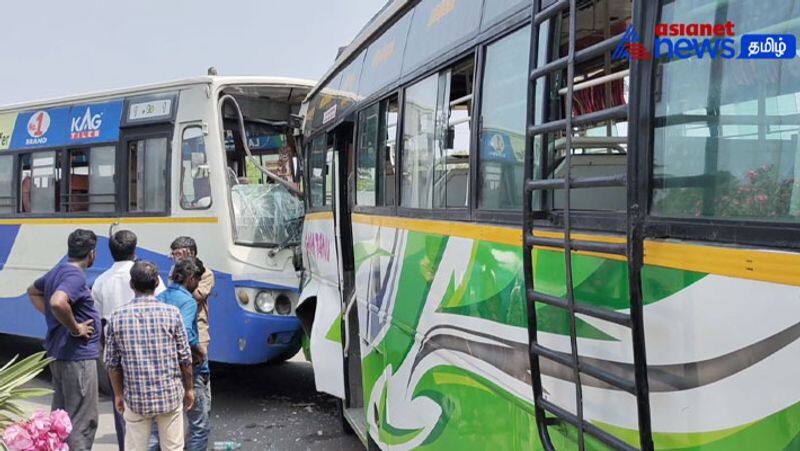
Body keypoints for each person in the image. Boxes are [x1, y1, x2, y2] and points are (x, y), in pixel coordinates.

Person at [104, 261, 194, 451]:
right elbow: (185, 358)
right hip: (169, 396)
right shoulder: (172, 314)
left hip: (136, 399)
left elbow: (112, 364)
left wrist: (118, 394)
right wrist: (189, 389)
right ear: (156, 284)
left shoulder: (116, 317)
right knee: (174, 448)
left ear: (131, 285)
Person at [26, 229, 100, 451]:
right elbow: (58, 302)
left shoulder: (58, 270)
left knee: (62, 420)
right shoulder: (75, 275)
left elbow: (33, 291)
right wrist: (75, 327)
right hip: (77, 357)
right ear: (91, 254)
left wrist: (57, 321)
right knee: (82, 421)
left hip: (60, 355)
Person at [92, 230, 165, 450]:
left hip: (117, 350)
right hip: (150, 347)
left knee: (121, 402)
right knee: (153, 402)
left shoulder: (101, 281)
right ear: (135, 251)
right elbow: (161, 304)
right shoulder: (151, 276)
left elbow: (99, 321)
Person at [149, 258, 211, 451]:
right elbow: (184, 332)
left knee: (159, 427)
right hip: (190, 369)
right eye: (197, 280)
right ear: (191, 278)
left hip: (164, 369)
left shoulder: (160, 298)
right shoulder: (188, 301)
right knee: (198, 425)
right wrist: (198, 348)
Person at [169, 237, 214, 358]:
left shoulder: (206, 273)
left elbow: (197, 297)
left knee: (200, 372)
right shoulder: (174, 271)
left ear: (192, 253)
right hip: (175, 330)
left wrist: (187, 272)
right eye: (174, 254)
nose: (176, 258)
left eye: (179, 254)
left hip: (198, 331)